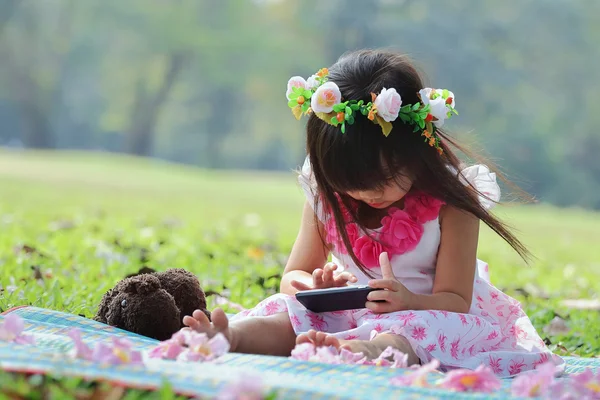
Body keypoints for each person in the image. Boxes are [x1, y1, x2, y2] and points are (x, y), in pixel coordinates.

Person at [183, 49, 563, 377]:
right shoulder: (325, 193)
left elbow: (455, 300)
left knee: (407, 332)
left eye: (383, 179)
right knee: (287, 314)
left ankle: (356, 354)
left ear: (417, 153)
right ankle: (232, 337)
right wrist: (313, 289)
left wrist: (409, 300)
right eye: (350, 183)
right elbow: (292, 275)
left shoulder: (453, 203)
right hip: (348, 310)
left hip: (427, 311)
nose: (366, 193)